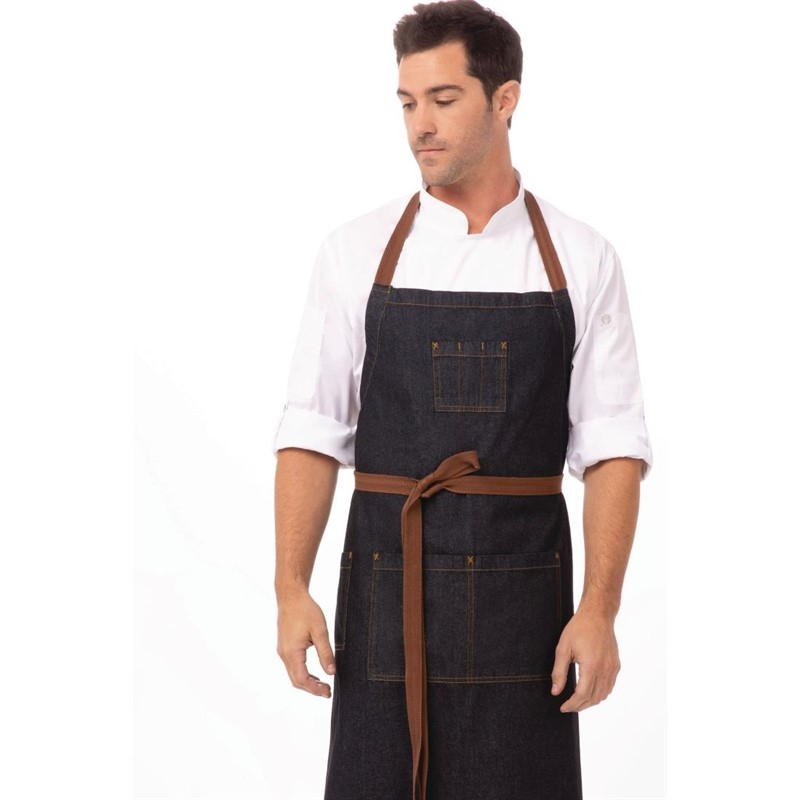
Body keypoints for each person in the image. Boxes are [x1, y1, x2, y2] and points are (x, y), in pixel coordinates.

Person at [272, 2, 653, 798]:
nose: (421, 124)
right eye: (408, 102)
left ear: (504, 100)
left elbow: (613, 445)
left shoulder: (583, 258)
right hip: (386, 596)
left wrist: (600, 611)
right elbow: (312, 429)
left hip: (527, 613)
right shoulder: (353, 253)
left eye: (444, 100)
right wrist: (290, 588)